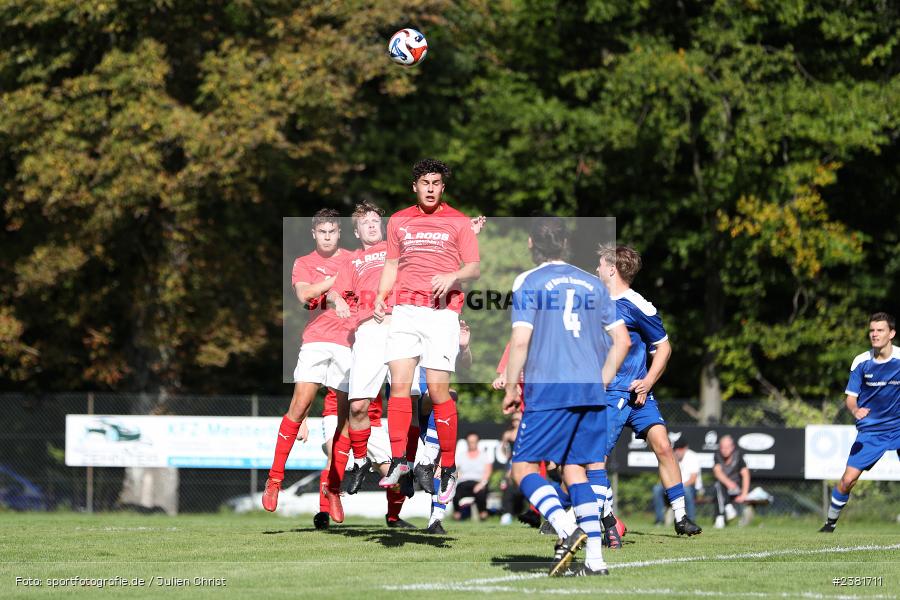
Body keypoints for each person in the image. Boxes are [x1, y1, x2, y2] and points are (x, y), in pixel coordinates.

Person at [503, 217, 630, 577]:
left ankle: (564, 526)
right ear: (564, 244)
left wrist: (511, 387)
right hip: (590, 389)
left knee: (522, 469)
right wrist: (601, 381)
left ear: (532, 244)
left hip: (550, 388)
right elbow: (622, 341)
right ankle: (595, 561)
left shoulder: (528, 281)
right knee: (576, 470)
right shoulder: (593, 283)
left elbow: (521, 342)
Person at [374, 158, 481, 506]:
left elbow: (474, 268)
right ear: (415, 187)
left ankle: (447, 466)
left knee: (437, 391)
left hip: (441, 313)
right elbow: (391, 264)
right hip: (405, 310)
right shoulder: (399, 220)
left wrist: (453, 276)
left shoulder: (458, 221)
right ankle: (399, 460)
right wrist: (380, 296)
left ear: (442, 188)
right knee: (399, 386)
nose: (430, 189)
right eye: (425, 183)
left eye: (436, 183)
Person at [592, 245, 702, 543]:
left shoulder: (637, 305)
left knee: (664, 446)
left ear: (612, 269)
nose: (597, 269)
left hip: (637, 392)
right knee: (596, 458)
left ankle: (681, 517)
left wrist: (649, 381)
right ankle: (609, 519)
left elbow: (663, 347)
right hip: (608, 391)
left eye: (600, 264)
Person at [326, 202, 422, 528]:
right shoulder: (352, 260)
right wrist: (339, 299)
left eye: (374, 220)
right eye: (364, 222)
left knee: (409, 402)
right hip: (368, 329)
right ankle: (360, 461)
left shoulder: (397, 249)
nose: (371, 225)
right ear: (356, 231)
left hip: (401, 325)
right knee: (357, 408)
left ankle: (406, 464)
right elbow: (333, 293)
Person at [263, 209, 352, 524]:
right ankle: (275, 478)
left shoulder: (353, 259)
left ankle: (333, 489)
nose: (327, 236)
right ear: (314, 233)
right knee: (299, 406)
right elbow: (304, 295)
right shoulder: (304, 262)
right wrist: (335, 284)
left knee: (344, 420)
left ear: (339, 233)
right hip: (316, 340)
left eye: (332, 231)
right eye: (322, 232)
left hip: (348, 343)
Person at [820, 312, 900, 533]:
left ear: (891, 334)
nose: (874, 334)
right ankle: (830, 524)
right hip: (871, 431)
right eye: (872, 330)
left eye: (880, 330)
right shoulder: (861, 362)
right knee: (847, 481)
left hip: (898, 427)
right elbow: (851, 398)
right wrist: (855, 410)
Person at [653, 438, 701, 524]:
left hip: (690, 487)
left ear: (685, 448)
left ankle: (691, 520)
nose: (677, 451)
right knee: (657, 489)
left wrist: (678, 487)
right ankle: (659, 520)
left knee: (686, 490)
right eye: (676, 449)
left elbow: (693, 480)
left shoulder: (692, 457)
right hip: (673, 486)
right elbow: (666, 475)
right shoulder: (671, 457)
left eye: (680, 449)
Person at [452, 431, 493, 520]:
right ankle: (457, 514)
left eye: (474, 442)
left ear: (477, 442)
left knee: (481, 493)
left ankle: (483, 514)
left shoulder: (484, 456)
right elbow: (455, 471)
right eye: (470, 442)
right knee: (456, 493)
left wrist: (481, 484)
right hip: (464, 483)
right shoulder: (461, 456)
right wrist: (456, 477)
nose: (472, 444)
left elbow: (488, 472)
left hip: (478, 483)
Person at [712, 434, 750, 529]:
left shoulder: (738, 456)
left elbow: (745, 474)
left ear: (732, 447)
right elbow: (717, 472)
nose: (725, 450)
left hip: (736, 488)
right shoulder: (717, 455)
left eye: (727, 447)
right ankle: (727, 508)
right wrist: (728, 483)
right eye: (722, 447)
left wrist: (744, 494)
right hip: (723, 487)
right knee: (718, 485)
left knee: (719, 489)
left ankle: (720, 517)